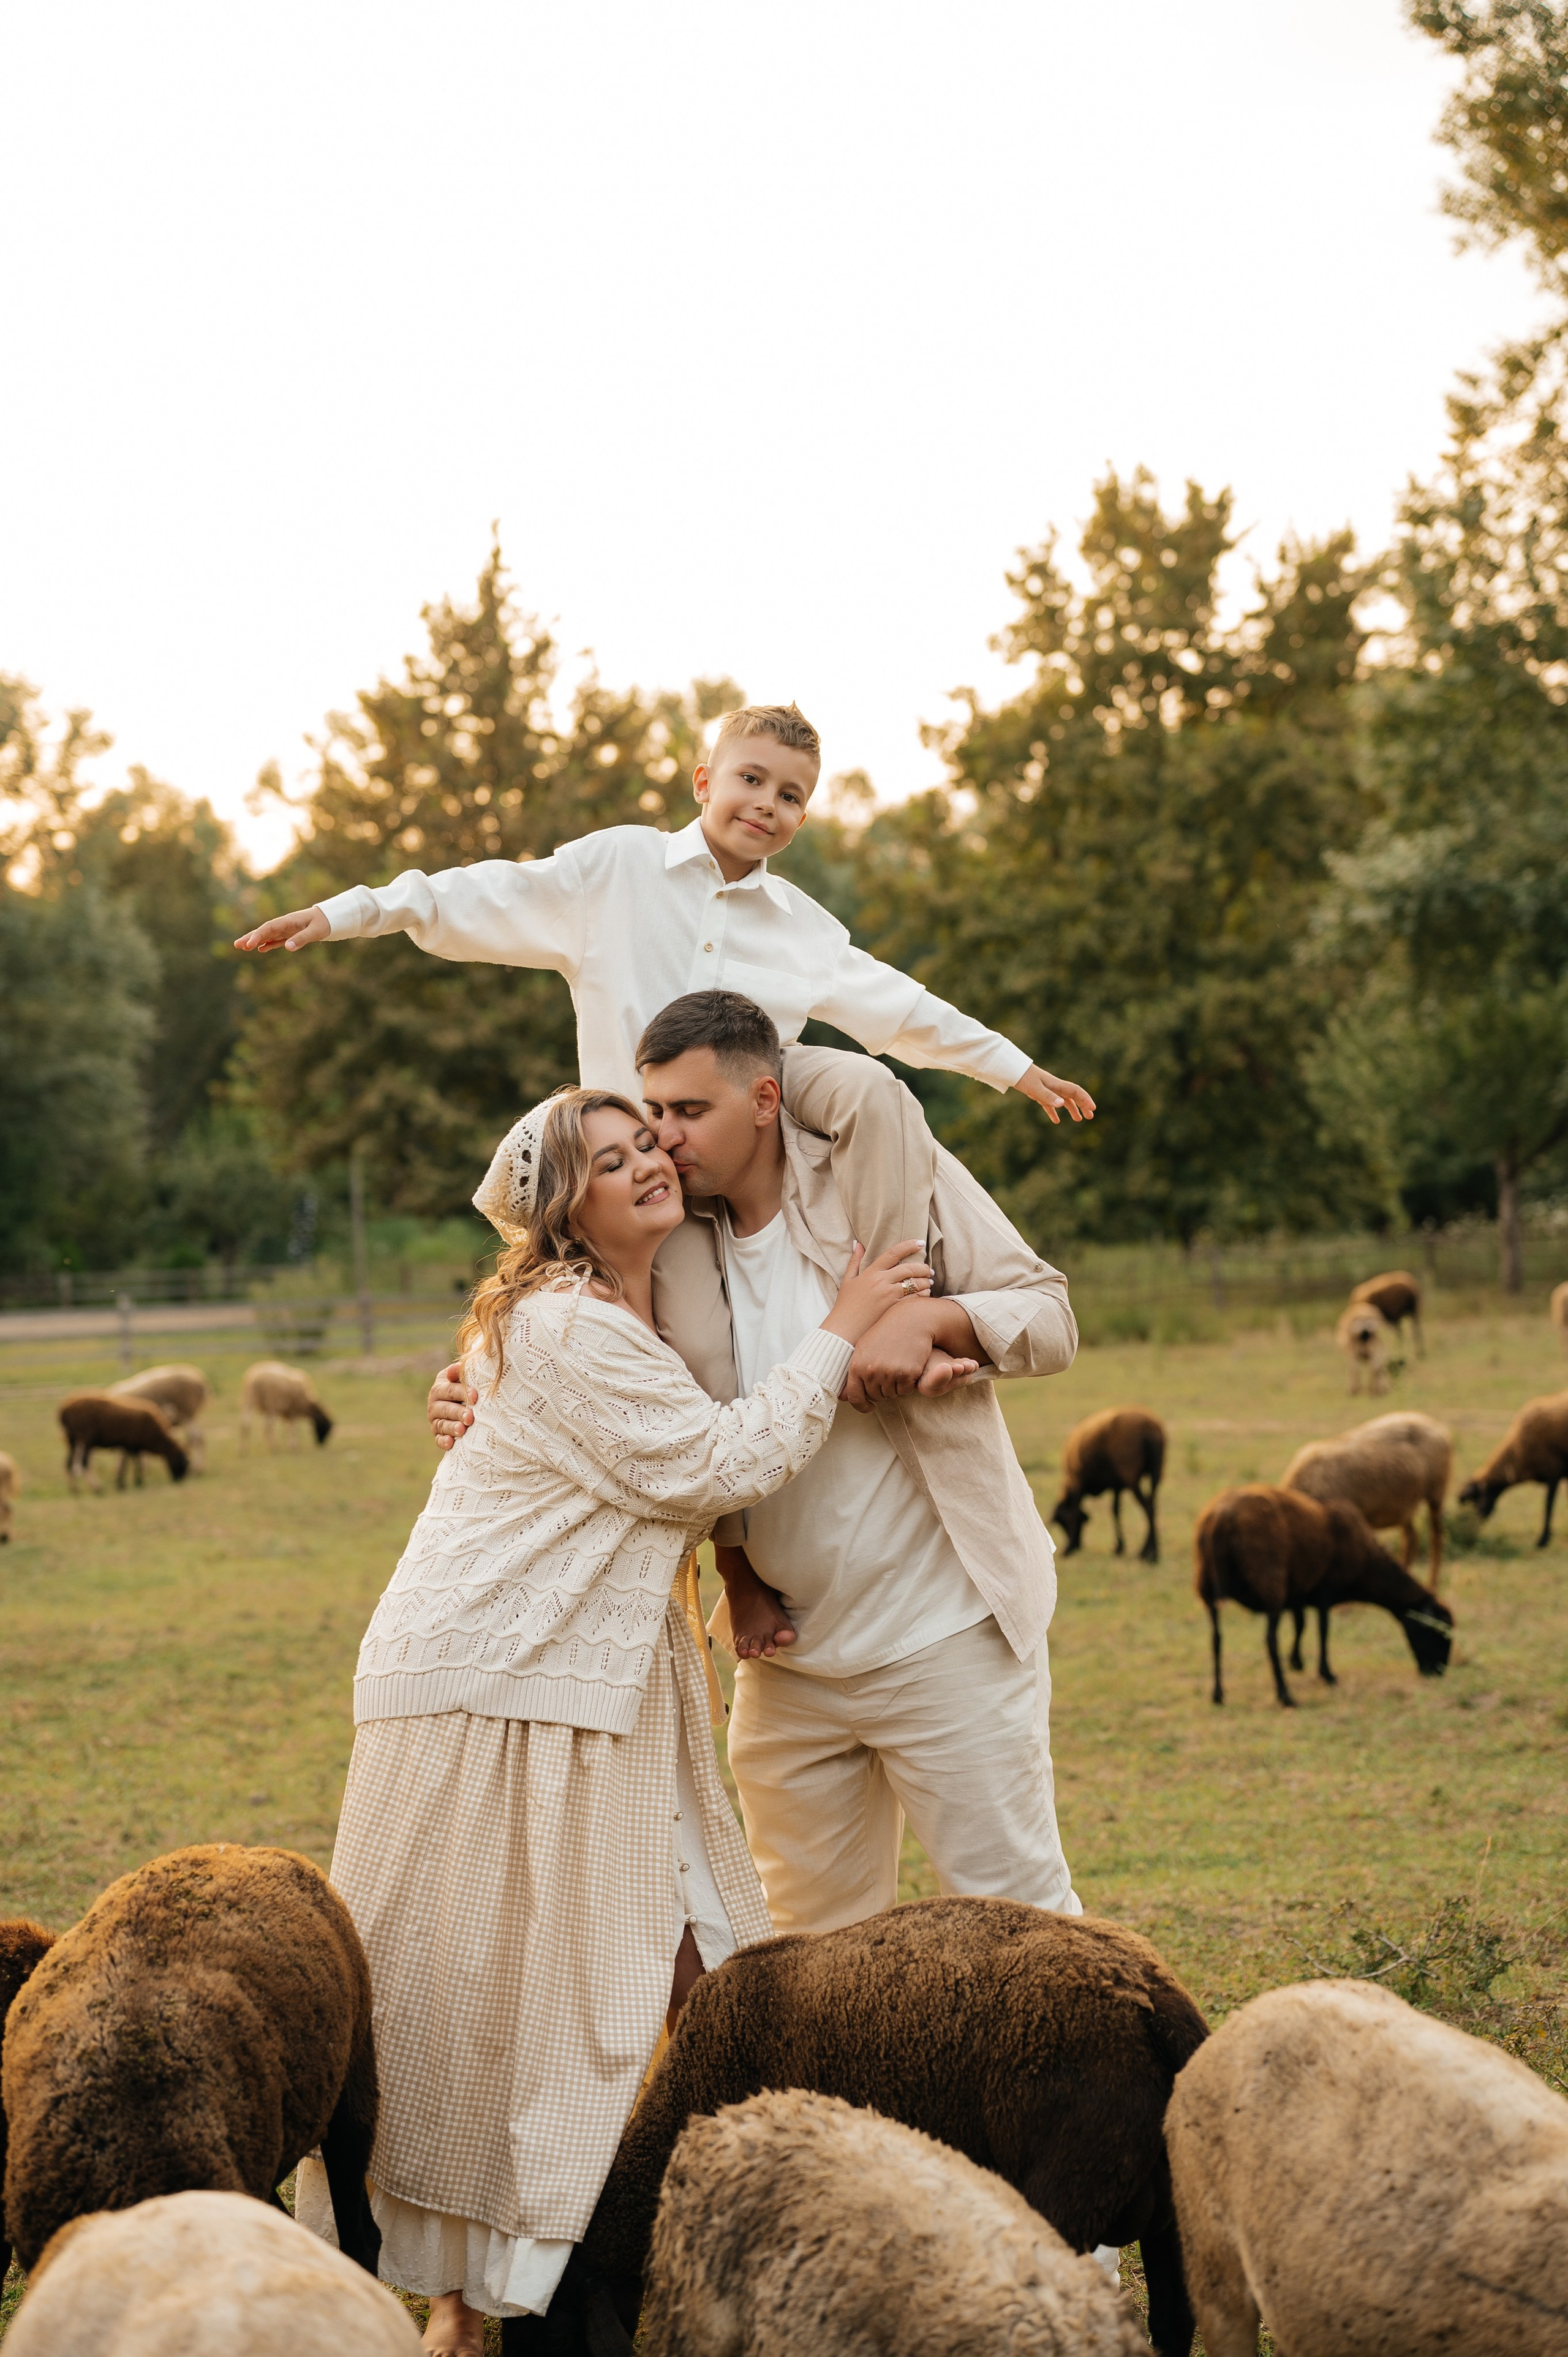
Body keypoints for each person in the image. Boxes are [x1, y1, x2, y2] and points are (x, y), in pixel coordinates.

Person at [310, 1082, 935, 2356]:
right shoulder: (565, 1328)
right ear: (565, 1211)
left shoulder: (630, 1307)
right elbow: (714, 1463)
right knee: (488, 1980)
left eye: (648, 1140)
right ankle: (471, 2299)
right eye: (610, 1158)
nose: (649, 1160)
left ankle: (698, 2240)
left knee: (687, 1947)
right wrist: (844, 1326)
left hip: (584, 1678)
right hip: (497, 1682)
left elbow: (653, 1467)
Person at [431, 992, 1082, 1936]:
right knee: (805, 1951)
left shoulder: (882, 1181)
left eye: (690, 1113)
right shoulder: (666, 1236)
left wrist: (934, 1318)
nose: (665, 1141)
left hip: (946, 1634)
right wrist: (465, 1392)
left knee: (1022, 1926)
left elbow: (1051, 1314)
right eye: (655, 1114)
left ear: (768, 1100)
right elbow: (553, 1321)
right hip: (786, 1662)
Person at [231, 700, 1095, 1270]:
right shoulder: (618, 868)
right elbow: (478, 892)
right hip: (625, 1183)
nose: (766, 804)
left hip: (749, 1203)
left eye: (791, 795)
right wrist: (348, 914)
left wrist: (1015, 1068)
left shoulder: (802, 928)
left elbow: (902, 1011)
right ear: (704, 783)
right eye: (750, 779)